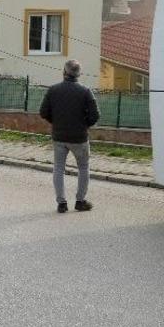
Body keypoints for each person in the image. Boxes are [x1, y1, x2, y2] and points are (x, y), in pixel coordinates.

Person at [40, 59, 100, 213]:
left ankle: (61, 203)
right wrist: (84, 124)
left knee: (58, 168)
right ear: (79, 74)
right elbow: (95, 115)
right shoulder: (86, 91)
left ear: (64, 72)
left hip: (59, 136)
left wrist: (56, 122)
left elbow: (43, 112)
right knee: (83, 167)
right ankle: (80, 201)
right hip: (79, 137)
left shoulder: (53, 90)